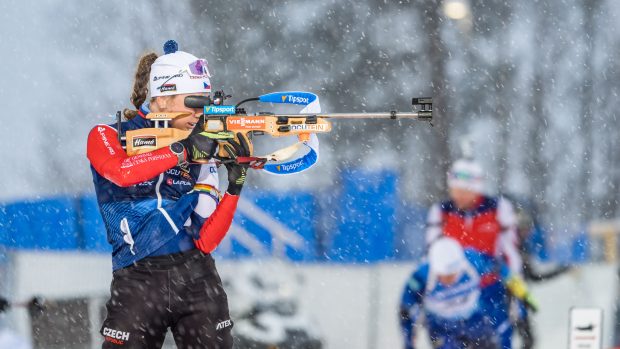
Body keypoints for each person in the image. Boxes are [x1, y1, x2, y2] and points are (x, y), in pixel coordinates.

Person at [87, 40, 249, 349]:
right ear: (163, 97)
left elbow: (206, 239)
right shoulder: (106, 135)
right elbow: (121, 172)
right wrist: (183, 151)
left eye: (206, 105)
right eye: (194, 103)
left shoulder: (201, 144)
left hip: (197, 278)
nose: (199, 114)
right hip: (137, 279)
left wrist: (235, 185)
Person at [425, 159, 524, 348]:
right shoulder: (441, 212)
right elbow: (431, 256)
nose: (458, 195)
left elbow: (511, 254)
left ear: (476, 188)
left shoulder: (498, 208)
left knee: (499, 341)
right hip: (454, 294)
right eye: (454, 189)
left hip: (490, 290)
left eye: (464, 190)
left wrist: (518, 291)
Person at [399, 237, 536, 349]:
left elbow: (501, 269)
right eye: (444, 275)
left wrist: (521, 292)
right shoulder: (421, 276)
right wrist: (409, 341)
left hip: (474, 320)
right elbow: (405, 309)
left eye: (453, 274)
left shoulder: (472, 260)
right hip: (442, 328)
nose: (449, 280)